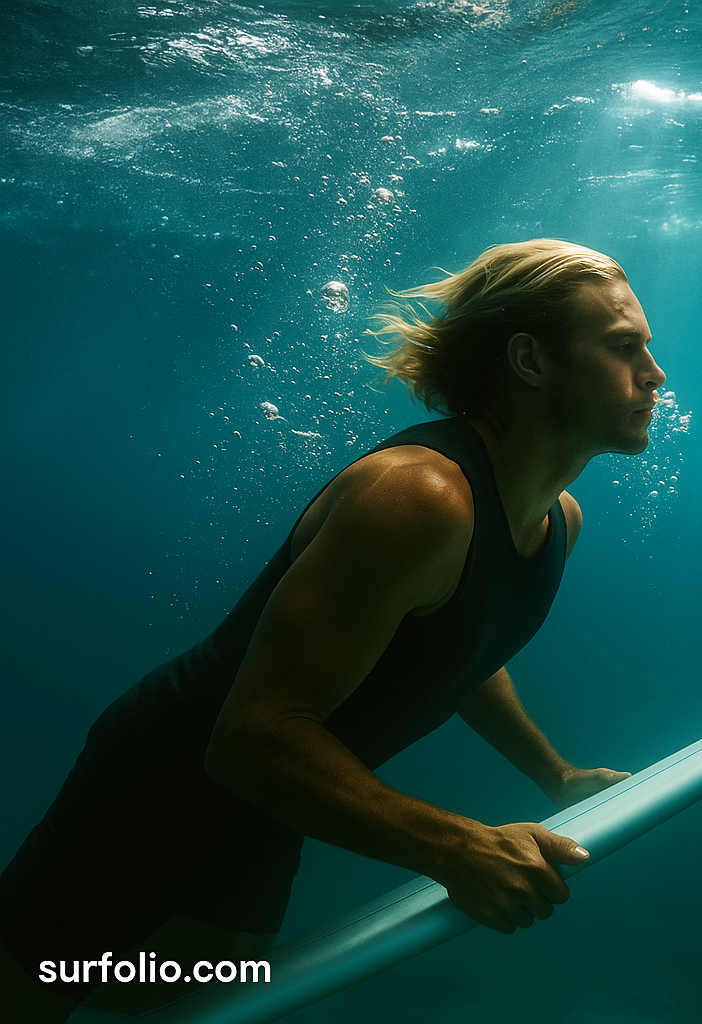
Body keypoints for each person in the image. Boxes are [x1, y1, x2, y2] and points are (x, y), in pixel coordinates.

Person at [0, 238, 666, 1020]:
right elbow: (248, 737)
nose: (654, 374)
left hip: (270, 812)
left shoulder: (558, 520)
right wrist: (454, 847)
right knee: (31, 1002)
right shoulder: (419, 497)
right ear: (530, 360)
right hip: (160, 795)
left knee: (167, 1007)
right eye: (625, 348)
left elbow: (460, 645)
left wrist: (555, 774)